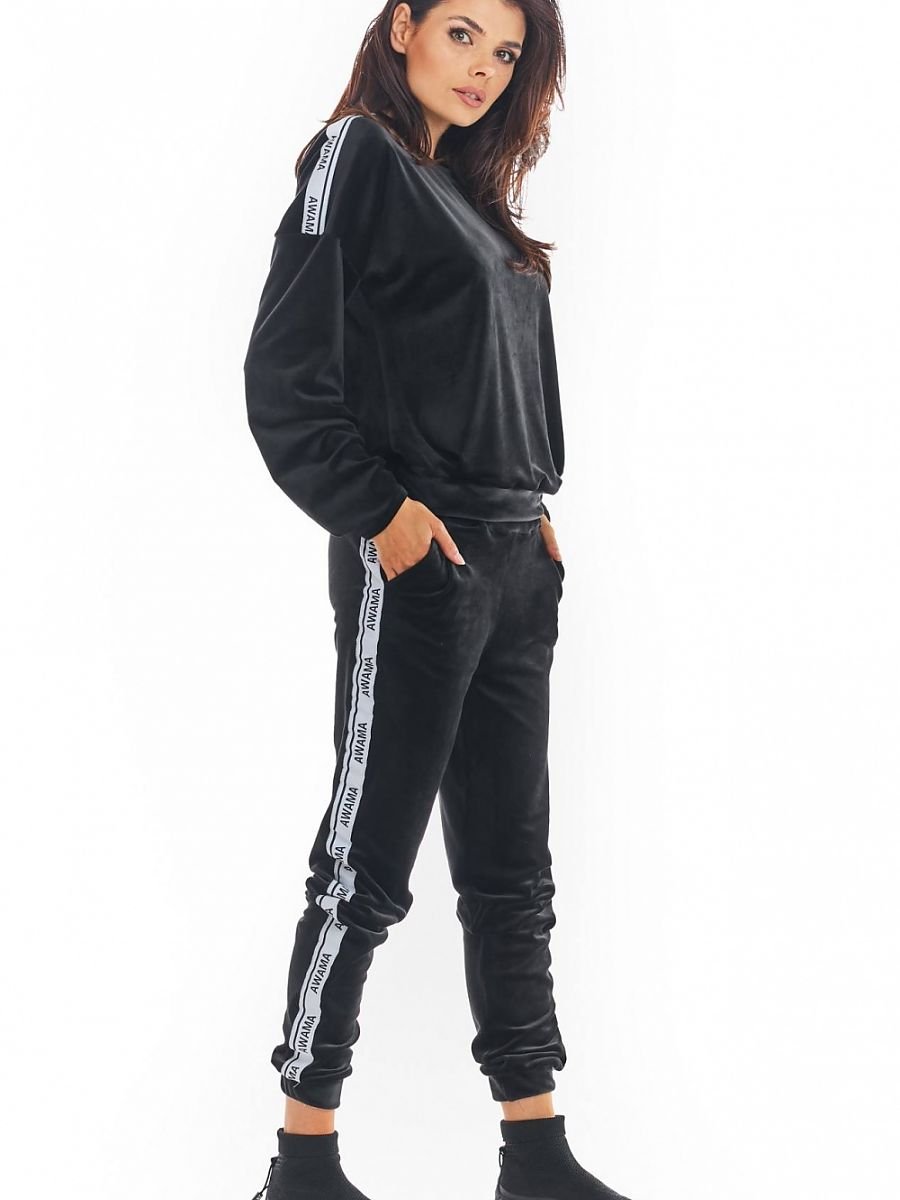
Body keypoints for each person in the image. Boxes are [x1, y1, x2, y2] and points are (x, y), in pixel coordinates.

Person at [243, 3, 633, 1198]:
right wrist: (384, 514)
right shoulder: (355, 155)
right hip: (422, 560)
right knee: (365, 863)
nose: (484, 69)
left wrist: (536, 511)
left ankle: (536, 1153)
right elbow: (285, 374)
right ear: (402, 25)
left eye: (506, 54)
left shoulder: (468, 196)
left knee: (515, 870)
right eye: (462, 33)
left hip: (516, 561)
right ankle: (303, 1160)